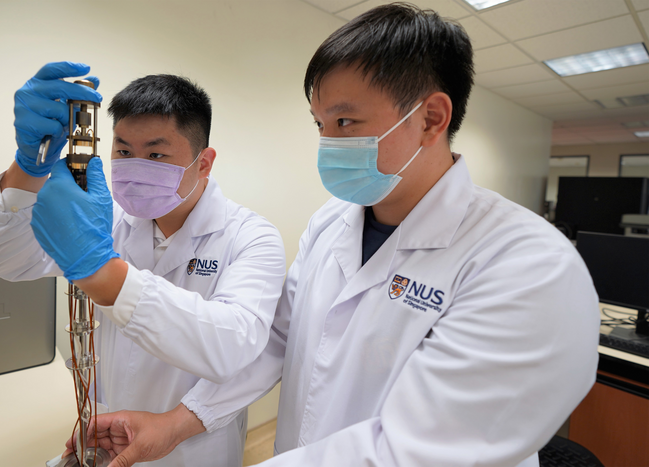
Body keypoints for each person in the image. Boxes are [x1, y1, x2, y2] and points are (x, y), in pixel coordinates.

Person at [72, 5, 600, 467]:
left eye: (345, 121)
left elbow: (417, 450)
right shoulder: (332, 223)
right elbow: (272, 343)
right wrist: (178, 423)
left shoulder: (527, 265)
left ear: (431, 119)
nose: (327, 142)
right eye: (319, 123)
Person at [0, 63, 286, 467]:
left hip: (194, 449)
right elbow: (3, 258)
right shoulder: (106, 220)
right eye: (123, 150)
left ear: (204, 163)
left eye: (156, 154)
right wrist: (28, 166)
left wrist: (103, 272)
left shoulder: (252, 237)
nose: (135, 166)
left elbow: (231, 346)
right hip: (106, 432)